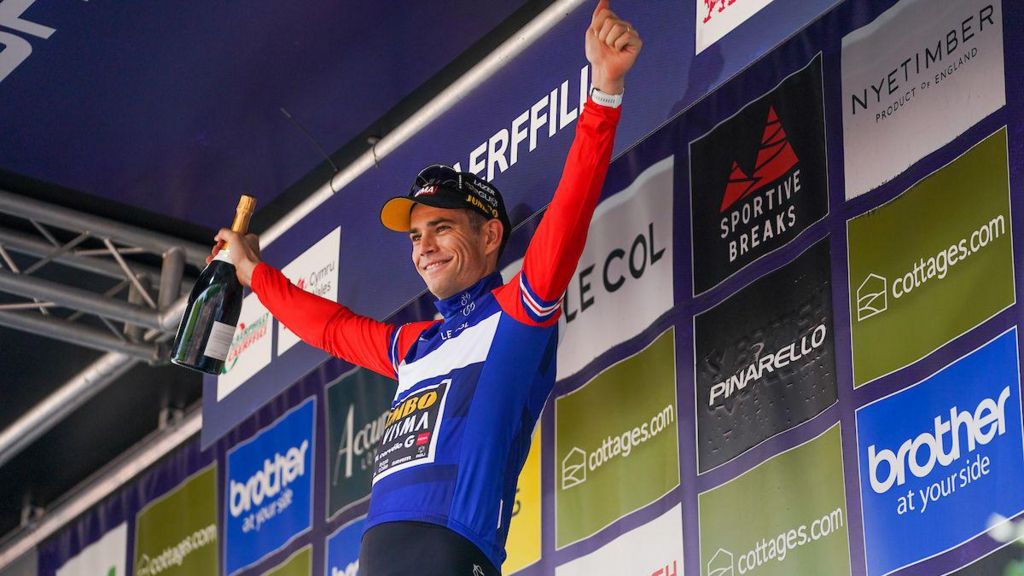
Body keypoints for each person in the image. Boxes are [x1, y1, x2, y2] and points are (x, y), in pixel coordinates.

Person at [211, 2, 641, 573]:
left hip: (452, 553)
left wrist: (604, 92)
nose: (423, 246)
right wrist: (253, 274)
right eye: (415, 235)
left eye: (441, 228)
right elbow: (332, 329)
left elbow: (568, 215)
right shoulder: (415, 346)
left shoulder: (516, 316)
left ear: (490, 235)